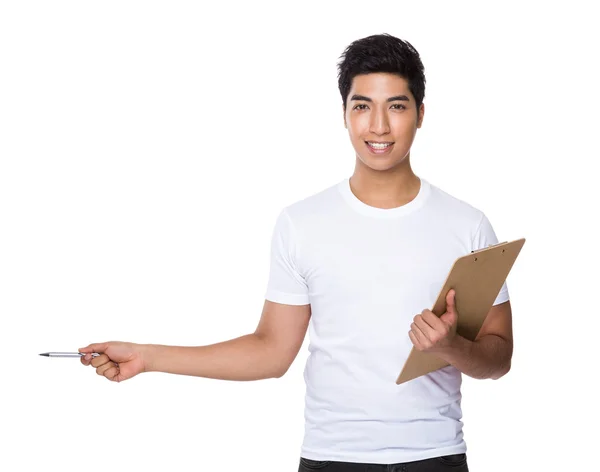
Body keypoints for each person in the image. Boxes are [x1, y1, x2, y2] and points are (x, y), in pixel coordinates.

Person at [80, 33, 513, 471]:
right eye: (362, 106)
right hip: (331, 459)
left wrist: (452, 346)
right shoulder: (301, 223)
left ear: (420, 114)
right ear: (344, 114)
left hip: (434, 457)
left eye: (396, 106)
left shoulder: (467, 224)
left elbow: (499, 358)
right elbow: (270, 351)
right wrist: (147, 356)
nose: (378, 126)